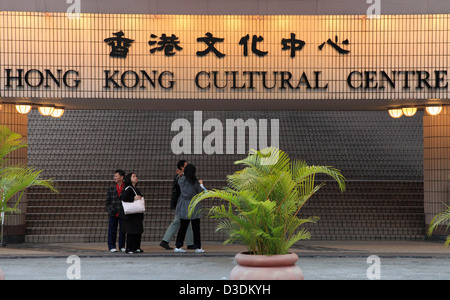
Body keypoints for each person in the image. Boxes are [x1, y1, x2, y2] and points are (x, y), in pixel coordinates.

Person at [159, 160, 194, 250]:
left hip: (185, 203)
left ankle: (190, 243)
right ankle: (165, 241)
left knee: (187, 222)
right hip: (181, 203)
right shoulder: (179, 177)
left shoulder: (185, 176)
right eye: (186, 165)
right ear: (182, 167)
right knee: (177, 221)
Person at [174, 164, 207, 253]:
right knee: (196, 228)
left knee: (183, 227)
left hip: (184, 205)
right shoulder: (194, 182)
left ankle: (178, 246)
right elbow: (201, 192)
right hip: (194, 205)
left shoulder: (181, 180)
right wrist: (201, 184)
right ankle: (198, 247)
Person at [119, 172, 144, 254]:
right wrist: (134, 198)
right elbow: (123, 197)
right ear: (129, 179)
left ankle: (136, 247)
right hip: (131, 215)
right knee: (132, 231)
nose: (136, 177)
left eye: (136, 176)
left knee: (138, 231)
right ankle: (129, 248)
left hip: (136, 214)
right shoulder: (128, 188)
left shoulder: (135, 188)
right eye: (133, 176)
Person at [105, 169, 126, 253]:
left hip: (123, 212)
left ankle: (121, 246)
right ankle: (111, 246)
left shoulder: (126, 188)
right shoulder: (111, 188)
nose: (114, 178)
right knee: (112, 229)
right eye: (114, 176)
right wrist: (112, 211)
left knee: (123, 230)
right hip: (113, 212)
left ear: (122, 177)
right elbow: (107, 202)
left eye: (116, 176)